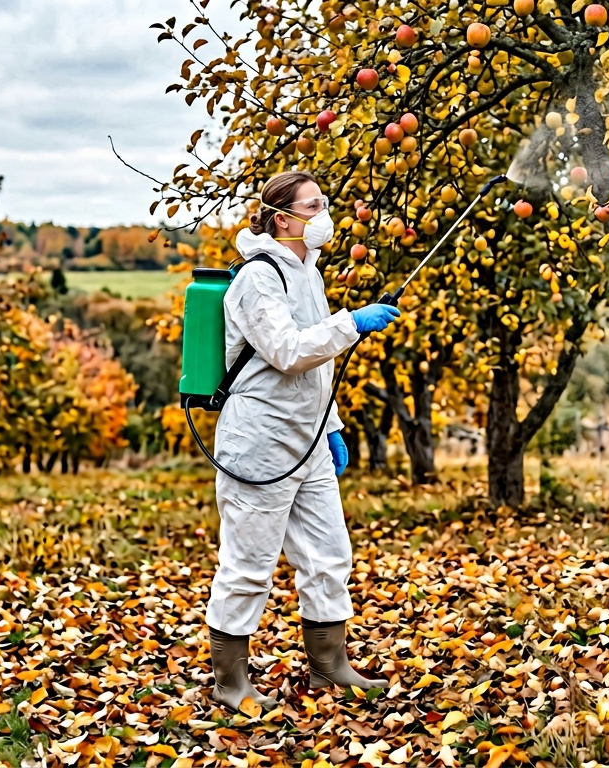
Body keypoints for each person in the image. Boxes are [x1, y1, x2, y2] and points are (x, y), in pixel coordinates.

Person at [206, 170, 401, 712]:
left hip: (308, 438)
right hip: (260, 441)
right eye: (314, 206)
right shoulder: (257, 279)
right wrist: (352, 323)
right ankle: (230, 683)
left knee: (328, 553)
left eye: (323, 203)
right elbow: (289, 351)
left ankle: (329, 667)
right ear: (283, 218)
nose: (324, 214)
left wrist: (332, 429)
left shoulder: (307, 273)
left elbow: (315, 372)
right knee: (249, 563)